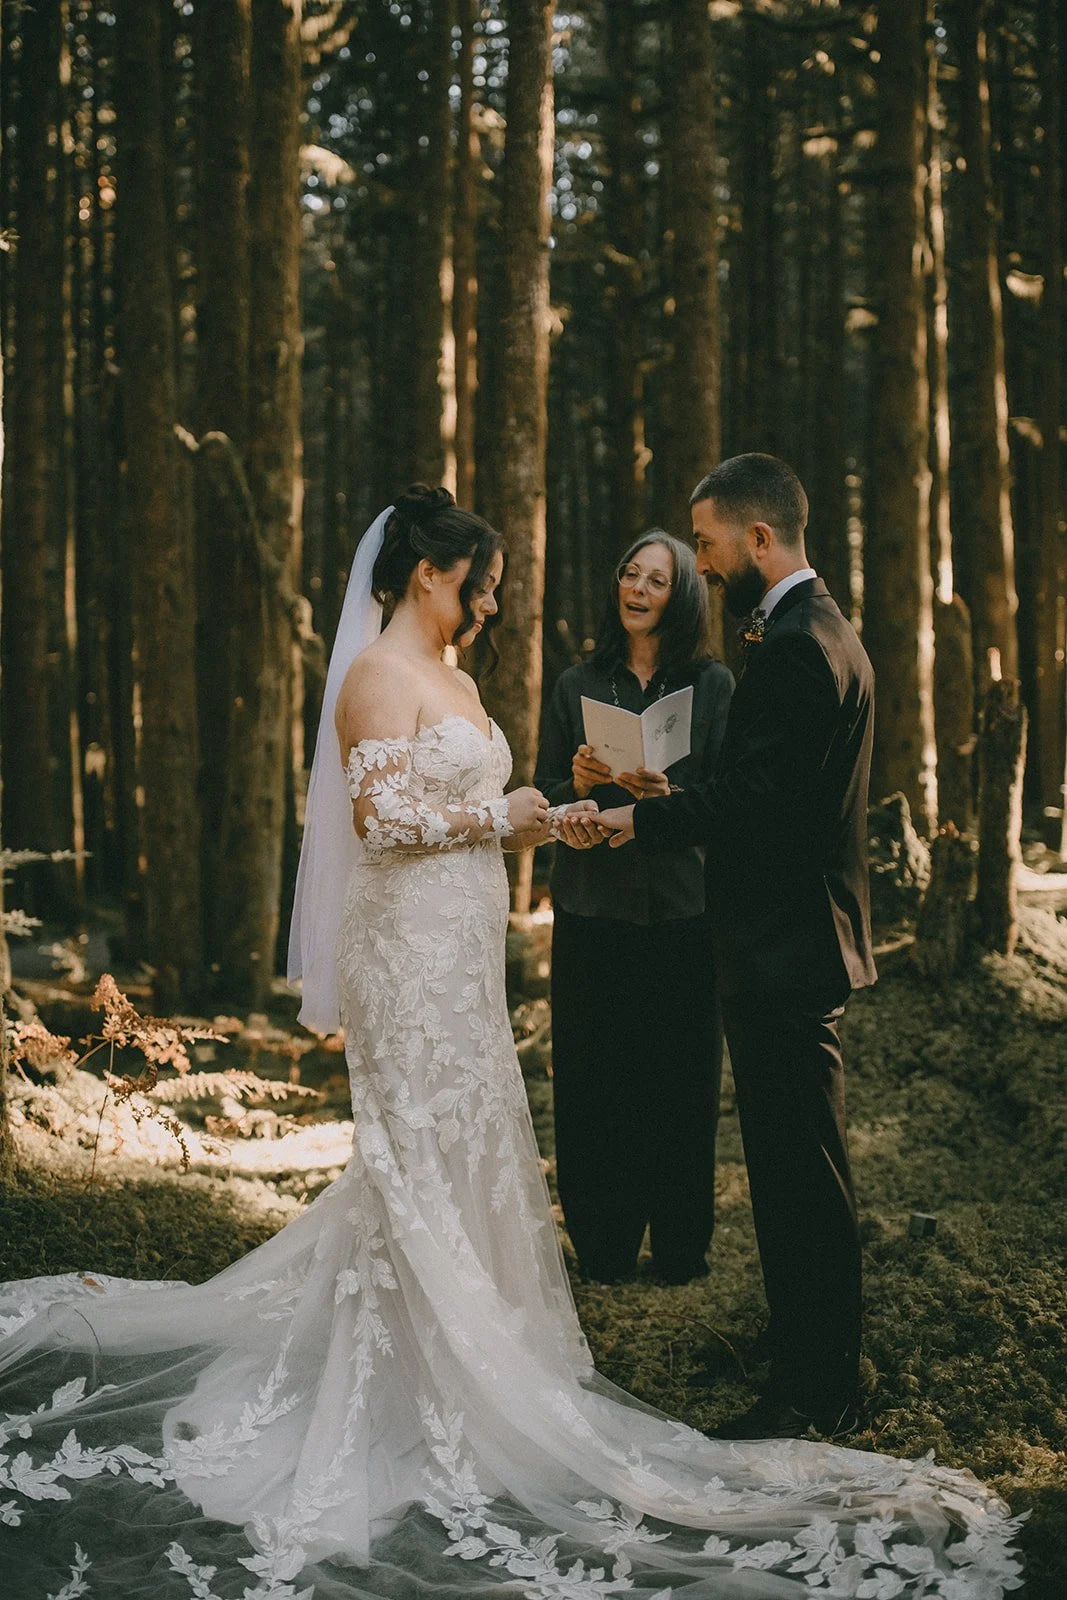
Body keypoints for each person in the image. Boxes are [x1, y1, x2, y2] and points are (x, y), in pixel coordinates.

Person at [0, 486, 1020, 1598]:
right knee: (415, 1149)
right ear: (428, 574)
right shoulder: (372, 678)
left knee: (477, 1135)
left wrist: (544, 811)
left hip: (463, 951)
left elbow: (508, 797)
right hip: (405, 951)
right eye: (478, 585)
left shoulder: (457, 679)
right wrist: (516, 814)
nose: (486, 605)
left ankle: (480, 1346)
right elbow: (381, 823)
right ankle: (410, 1367)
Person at [594, 454, 877, 1443]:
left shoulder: (797, 647)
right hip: (795, 944)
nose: (702, 565)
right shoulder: (820, 629)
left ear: (759, 538)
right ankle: (810, 1355)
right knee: (802, 1173)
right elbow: (772, 795)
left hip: (781, 949)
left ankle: (814, 1392)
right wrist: (668, 802)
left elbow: (759, 803)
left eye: (708, 545)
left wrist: (645, 820)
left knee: (799, 1182)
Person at [534, 532, 733, 1285]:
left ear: (680, 595)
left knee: (680, 1081)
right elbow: (545, 793)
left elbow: (728, 803)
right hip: (592, 910)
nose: (638, 587)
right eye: (629, 572)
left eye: (656, 578)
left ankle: (681, 1247)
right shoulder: (575, 683)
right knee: (592, 1081)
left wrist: (668, 800)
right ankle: (604, 1247)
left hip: (684, 912)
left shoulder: (711, 687)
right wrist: (575, 790)